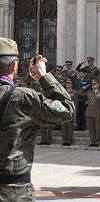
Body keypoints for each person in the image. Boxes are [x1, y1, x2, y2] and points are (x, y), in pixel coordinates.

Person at [0, 37, 75, 201]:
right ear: (14, 66)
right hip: (13, 192)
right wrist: (44, 76)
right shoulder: (24, 97)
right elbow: (66, 109)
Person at [79, 79, 100, 147]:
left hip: (97, 113)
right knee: (91, 128)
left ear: (98, 85)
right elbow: (79, 93)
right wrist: (85, 87)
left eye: (95, 84)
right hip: (89, 112)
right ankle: (92, 141)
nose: (93, 85)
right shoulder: (89, 92)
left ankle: (97, 141)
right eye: (92, 84)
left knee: (97, 128)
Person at [61, 78, 78, 146]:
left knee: (70, 127)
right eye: (67, 83)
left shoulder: (74, 92)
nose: (68, 84)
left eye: (69, 83)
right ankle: (64, 139)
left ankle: (69, 140)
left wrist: (74, 111)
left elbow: (76, 103)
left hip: (70, 111)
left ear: (72, 85)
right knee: (64, 127)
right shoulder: (62, 91)